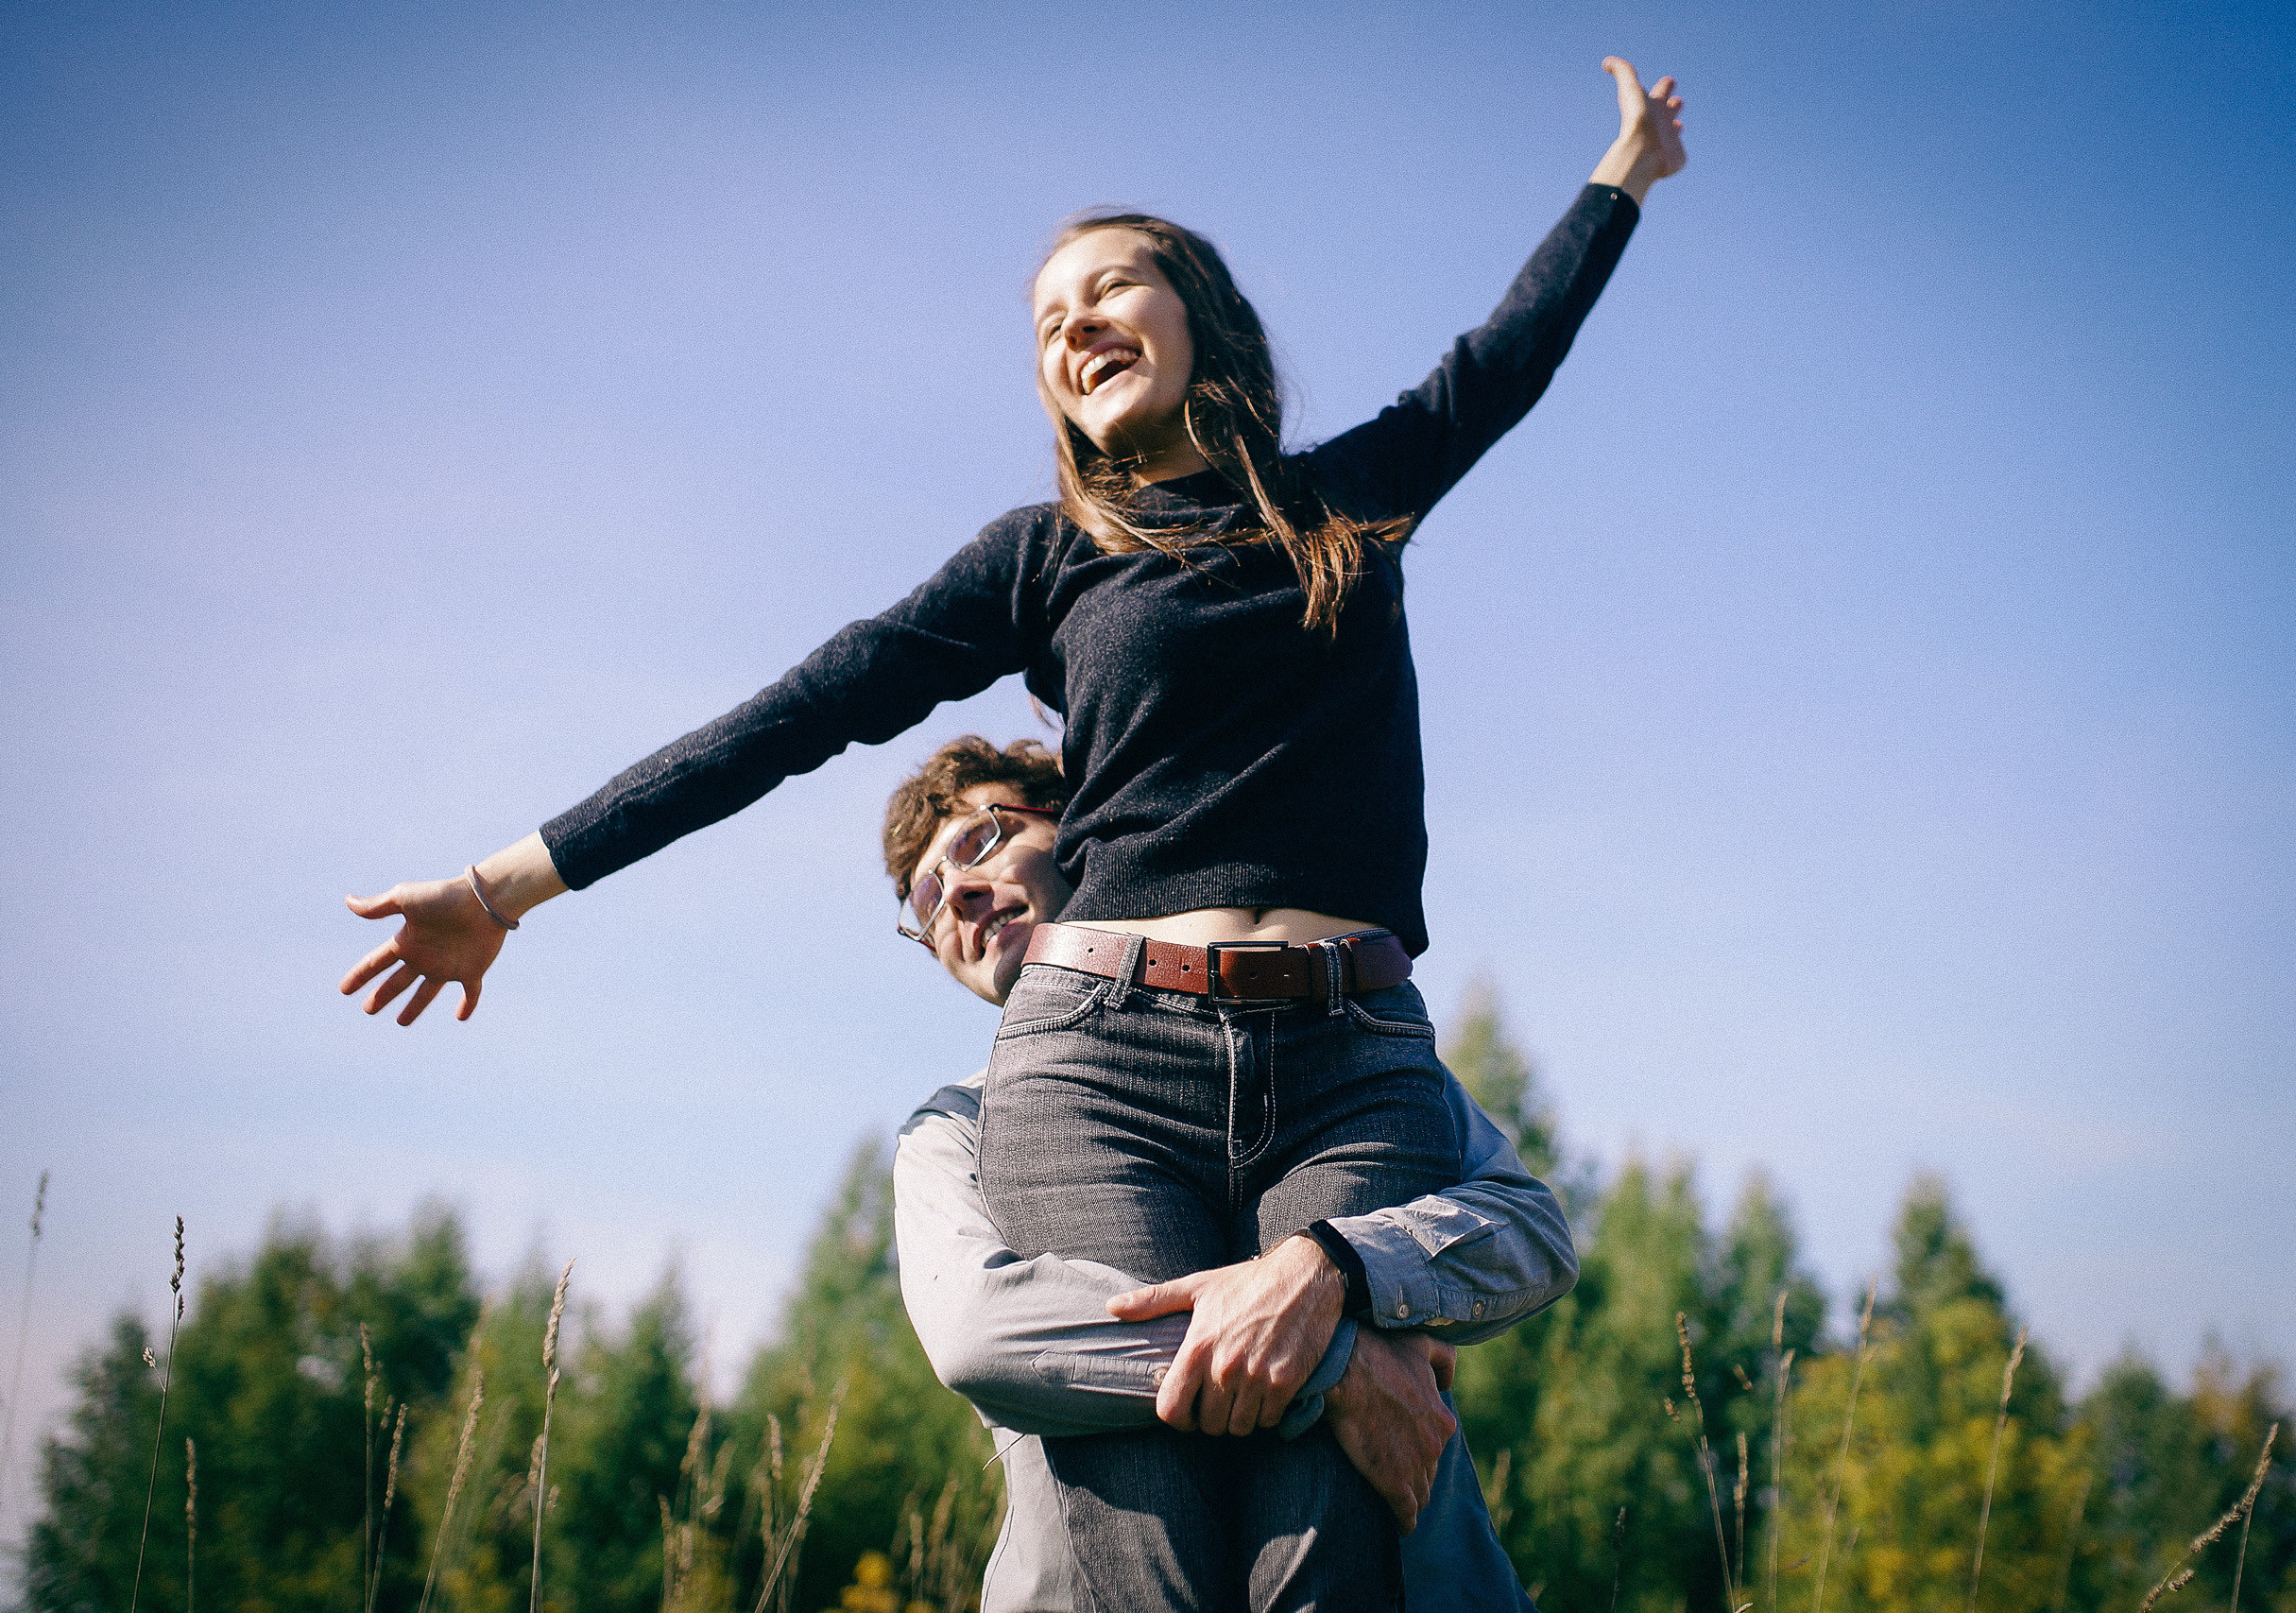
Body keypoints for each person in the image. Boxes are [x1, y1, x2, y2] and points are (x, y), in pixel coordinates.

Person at [342, 58, 1684, 1607]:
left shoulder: (1353, 498)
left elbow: (1505, 358)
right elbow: (794, 715)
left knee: (1333, 1533)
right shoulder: (1045, 557)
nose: (1076, 327)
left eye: (1111, 289)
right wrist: (509, 885)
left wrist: (1625, 174)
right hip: (1104, 1061)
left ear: (1202, 318)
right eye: (1050, 323)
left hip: (1355, 1059)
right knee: (1141, 1524)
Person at [883, 735, 1578, 1610]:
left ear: (1086, 822)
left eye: (980, 839)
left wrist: (1335, 1264)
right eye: (925, 897)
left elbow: (1533, 1231)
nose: (960, 894)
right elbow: (980, 1331)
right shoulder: (955, 1128)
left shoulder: (1339, 1054)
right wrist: (1333, 1352)